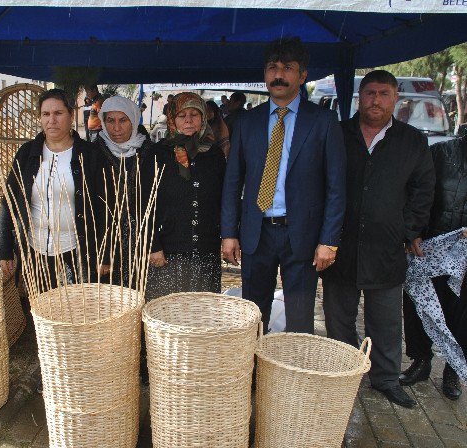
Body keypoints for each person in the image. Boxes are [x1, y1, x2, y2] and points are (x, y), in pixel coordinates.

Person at [321, 70, 435, 408]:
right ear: (359, 97)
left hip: (386, 247)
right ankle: (344, 373)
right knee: (338, 317)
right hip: (340, 243)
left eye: (383, 93)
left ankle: (385, 378)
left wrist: (407, 229)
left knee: (385, 321)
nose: (375, 100)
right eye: (369, 93)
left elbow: (423, 190)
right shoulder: (338, 135)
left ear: (395, 97)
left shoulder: (412, 141)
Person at [221, 37, 346, 335]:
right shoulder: (247, 122)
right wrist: (228, 232)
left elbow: (336, 186)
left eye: (287, 68)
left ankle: (292, 378)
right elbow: (233, 180)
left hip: (302, 234)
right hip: (256, 233)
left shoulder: (324, 121)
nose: (278, 75)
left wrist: (329, 240)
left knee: (300, 319)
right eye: (272, 67)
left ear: (303, 75)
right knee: (253, 315)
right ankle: (252, 377)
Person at [0, 88, 108, 293]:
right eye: (45, 114)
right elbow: (8, 202)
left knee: (77, 308)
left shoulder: (90, 155)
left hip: (76, 251)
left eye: (58, 113)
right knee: (39, 309)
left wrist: (106, 255)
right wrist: (4, 250)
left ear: (71, 115)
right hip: (35, 250)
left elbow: (104, 208)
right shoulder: (27, 153)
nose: (51, 120)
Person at [400, 134, 467, 400]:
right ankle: (420, 361)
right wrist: (413, 231)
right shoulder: (441, 152)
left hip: (464, 251)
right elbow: (419, 192)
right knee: (418, 303)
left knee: (461, 311)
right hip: (430, 243)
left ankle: (453, 369)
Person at [142, 92, 226, 300]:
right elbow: (146, 203)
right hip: (169, 252)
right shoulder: (157, 153)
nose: (188, 120)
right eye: (182, 115)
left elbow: (223, 198)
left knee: (203, 314)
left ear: (203, 118)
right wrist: (153, 246)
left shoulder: (214, 154)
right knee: (168, 316)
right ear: (172, 119)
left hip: (205, 251)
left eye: (194, 114)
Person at [94, 96, 153, 286]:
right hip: (106, 244)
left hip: (143, 244)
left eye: (123, 120)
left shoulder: (150, 152)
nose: (116, 128)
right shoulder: (92, 153)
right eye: (110, 121)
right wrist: (101, 253)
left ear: (134, 120)